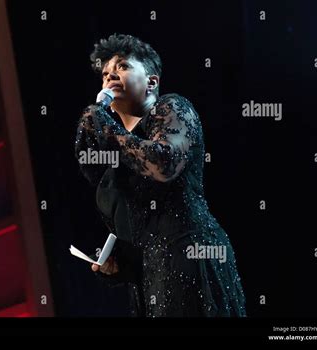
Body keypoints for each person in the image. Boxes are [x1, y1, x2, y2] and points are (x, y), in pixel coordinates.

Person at [74, 33, 246, 317]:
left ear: (151, 82)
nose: (110, 76)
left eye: (123, 67)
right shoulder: (120, 154)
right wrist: (117, 266)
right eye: (105, 73)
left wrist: (106, 128)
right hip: (151, 284)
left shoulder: (172, 108)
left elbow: (163, 164)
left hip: (191, 260)